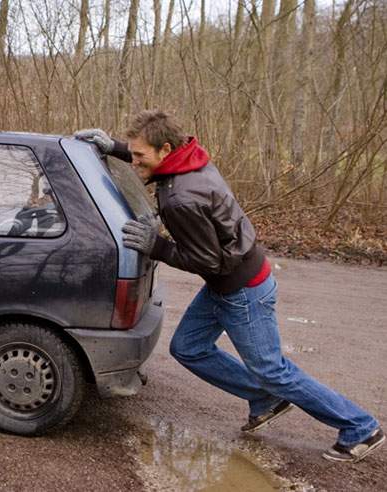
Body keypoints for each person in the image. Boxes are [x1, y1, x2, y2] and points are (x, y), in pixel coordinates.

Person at [76, 110, 383, 463]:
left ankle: (360, 426)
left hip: (241, 290)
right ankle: (265, 398)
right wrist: (113, 146)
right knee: (189, 347)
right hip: (231, 280)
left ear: (164, 149)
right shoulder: (189, 158)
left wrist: (157, 245)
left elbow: (209, 262)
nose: (135, 161)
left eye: (139, 155)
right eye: (133, 152)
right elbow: (213, 259)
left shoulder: (182, 199)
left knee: (273, 370)